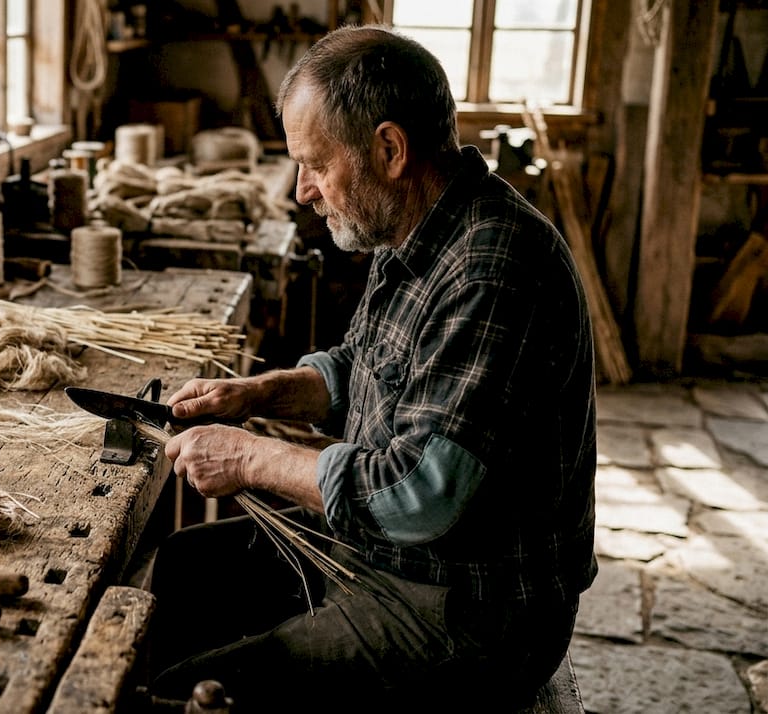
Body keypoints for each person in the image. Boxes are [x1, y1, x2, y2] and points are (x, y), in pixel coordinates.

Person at [146, 25, 598, 712]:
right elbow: (361, 368)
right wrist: (255, 394)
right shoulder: (416, 224)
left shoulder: (492, 267)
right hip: (395, 561)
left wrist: (248, 458)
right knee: (182, 572)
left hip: (473, 607)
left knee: (179, 696)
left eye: (316, 165)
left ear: (389, 149)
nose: (303, 191)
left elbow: (419, 493)